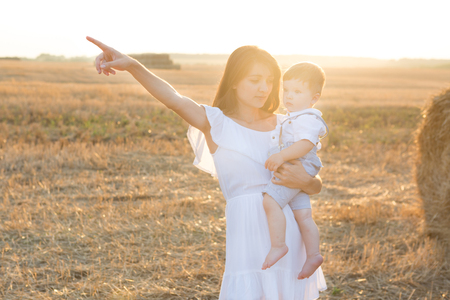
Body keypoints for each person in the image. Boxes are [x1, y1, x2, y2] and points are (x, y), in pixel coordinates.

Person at [86, 36, 327, 299]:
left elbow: (314, 185)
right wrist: (133, 65)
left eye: (270, 81)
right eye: (255, 80)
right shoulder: (215, 123)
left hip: (287, 233)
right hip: (245, 231)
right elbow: (174, 99)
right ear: (234, 81)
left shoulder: (286, 126)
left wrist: (303, 180)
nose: (264, 88)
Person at [261, 62, 328, 281]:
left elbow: (306, 144)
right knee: (304, 216)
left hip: (299, 163)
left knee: (270, 201)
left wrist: (281, 156)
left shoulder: (306, 118)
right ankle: (313, 255)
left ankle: (278, 245)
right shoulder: (297, 116)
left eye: (297, 91)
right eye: (286, 89)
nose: (289, 95)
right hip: (303, 165)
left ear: (314, 98)